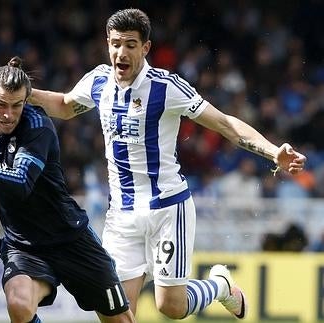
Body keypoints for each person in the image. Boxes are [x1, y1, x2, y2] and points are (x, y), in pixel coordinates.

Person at [28, 8, 307, 320]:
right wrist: (25, 93)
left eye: (131, 45)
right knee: (113, 313)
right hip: (121, 216)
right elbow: (65, 106)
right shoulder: (98, 82)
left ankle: (220, 285)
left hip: (167, 208)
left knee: (170, 306)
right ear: (107, 44)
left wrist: (272, 152)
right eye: (116, 44)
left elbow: (225, 123)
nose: (121, 52)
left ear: (145, 48)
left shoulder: (166, 87)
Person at [0, 57, 136, 323]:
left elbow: (21, 185)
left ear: (26, 101)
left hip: (71, 239)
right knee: (19, 305)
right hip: (23, 246)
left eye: (17, 106)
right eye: (1, 104)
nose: (8, 115)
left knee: (121, 320)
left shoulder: (37, 127)